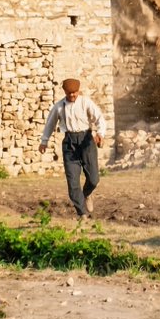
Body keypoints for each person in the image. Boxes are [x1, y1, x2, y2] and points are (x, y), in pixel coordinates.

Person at [39, 78, 107, 218]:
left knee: (94, 178)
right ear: (64, 92)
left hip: (86, 141)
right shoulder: (59, 107)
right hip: (69, 143)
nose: (72, 95)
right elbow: (50, 124)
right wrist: (44, 141)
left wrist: (100, 134)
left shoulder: (85, 102)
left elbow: (99, 118)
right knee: (72, 182)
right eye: (69, 93)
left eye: (74, 93)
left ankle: (87, 194)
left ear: (78, 91)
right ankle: (83, 214)